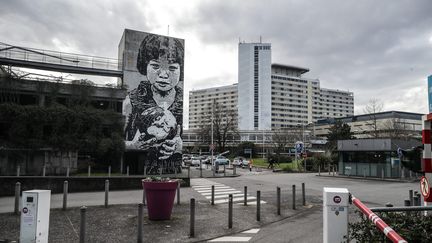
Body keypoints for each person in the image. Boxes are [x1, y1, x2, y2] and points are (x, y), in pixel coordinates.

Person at [124, 34, 184, 173]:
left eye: (172, 68)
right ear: (144, 66)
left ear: (180, 70)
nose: (163, 74)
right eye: (156, 66)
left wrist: (178, 147)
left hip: (172, 172)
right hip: (137, 171)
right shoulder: (131, 101)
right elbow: (115, 143)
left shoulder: (181, 102)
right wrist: (132, 145)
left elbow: (180, 142)